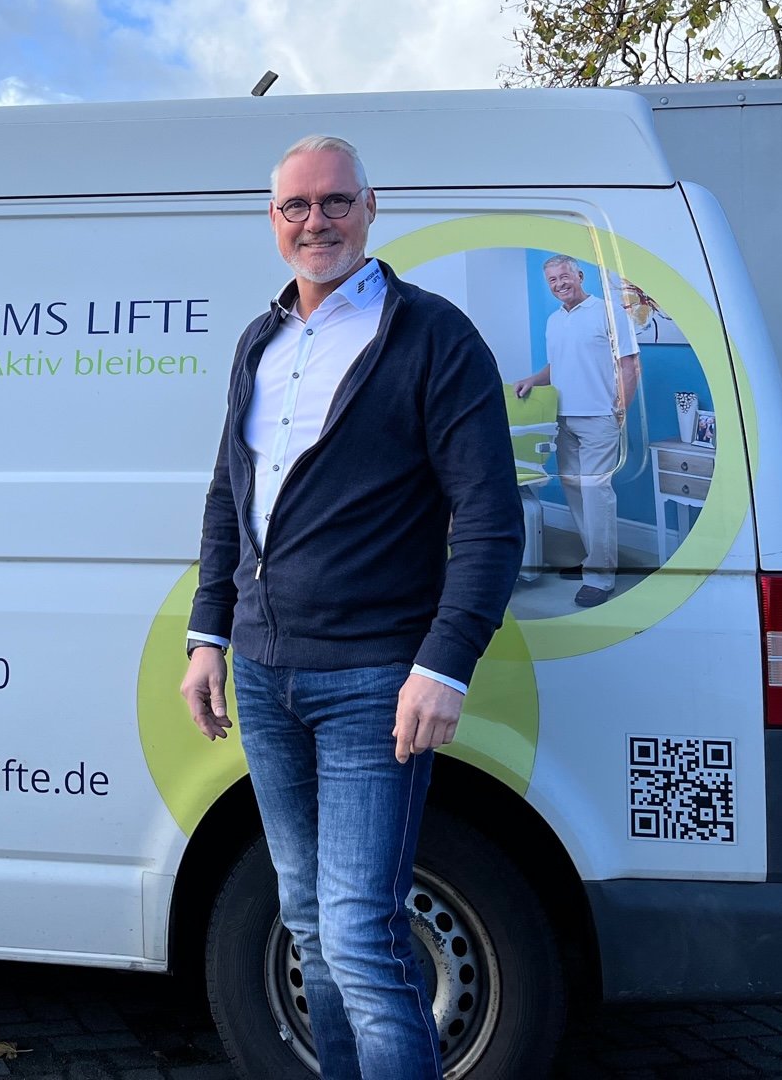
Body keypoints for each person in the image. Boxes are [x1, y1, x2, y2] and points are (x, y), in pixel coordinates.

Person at [178, 135, 523, 1080]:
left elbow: (491, 517)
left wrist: (445, 662)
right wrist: (209, 636)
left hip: (376, 680)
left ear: (373, 207)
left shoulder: (432, 337)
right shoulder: (262, 340)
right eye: (296, 207)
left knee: (364, 942)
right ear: (274, 222)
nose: (315, 222)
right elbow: (228, 500)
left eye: (334, 202)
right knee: (306, 924)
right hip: (262, 670)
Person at [513, 255, 642, 606]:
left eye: (564, 276)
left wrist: (619, 412)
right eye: (552, 280)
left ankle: (601, 578)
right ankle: (594, 561)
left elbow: (629, 365)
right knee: (574, 490)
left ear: (579, 275)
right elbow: (558, 365)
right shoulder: (555, 321)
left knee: (596, 494)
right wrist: (531, 379)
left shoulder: (608, 312)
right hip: (563, 417)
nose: (559, 284)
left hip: (599, 417)